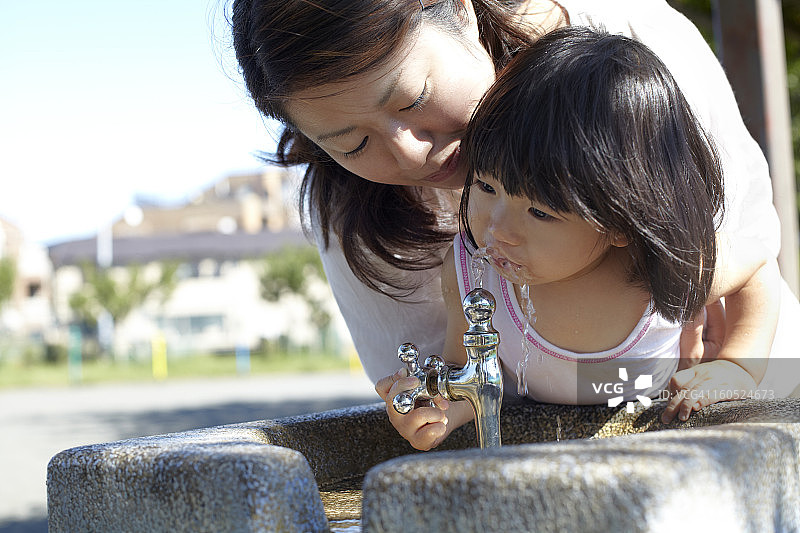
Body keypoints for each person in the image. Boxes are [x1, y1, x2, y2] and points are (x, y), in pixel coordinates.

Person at [231, 1, 799, 389]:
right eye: (353, 144)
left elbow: (750, 242)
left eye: (412, 101)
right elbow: (452, 381)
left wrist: (736, 363)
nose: (410, 154)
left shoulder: (627, 49)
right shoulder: (347, 208)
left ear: (457, 9)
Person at [376, 27, 798, 450]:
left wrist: (738, 367)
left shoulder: (661, 269)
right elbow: (468, 369)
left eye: (540, 212)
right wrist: (439, 411)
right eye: (486, 187)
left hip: (650, 445)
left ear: (618, 222)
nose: (496, 228)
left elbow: (758, 266)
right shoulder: (472, 274)